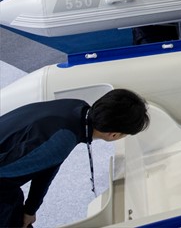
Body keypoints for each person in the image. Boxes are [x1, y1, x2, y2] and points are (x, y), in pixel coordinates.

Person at [0, 89, 150, 228]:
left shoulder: (77, 107)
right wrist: (27, 211)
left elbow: (47, 167)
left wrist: (30, 209)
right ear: (114, 135)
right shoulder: (63, 139)